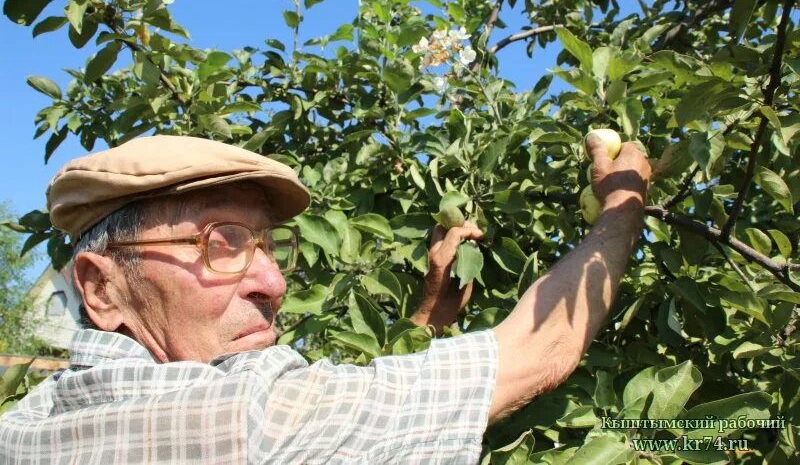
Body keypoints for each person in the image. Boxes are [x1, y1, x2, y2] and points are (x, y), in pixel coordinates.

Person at [0, 133, 650, 463]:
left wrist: (426, 319)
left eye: (267, 244)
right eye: (220, 243)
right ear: (101, 287)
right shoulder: (243, 421)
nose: (274, 283)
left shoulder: (25, 427)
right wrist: (622, 202)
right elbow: (537, 351)